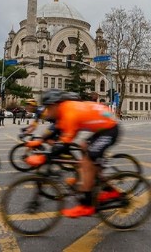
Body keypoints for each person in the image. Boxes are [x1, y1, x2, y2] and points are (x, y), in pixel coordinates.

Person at [36, 89, 121, 218]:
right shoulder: (65, 110)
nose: (47, 111)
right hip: (103, 128)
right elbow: (56, 130)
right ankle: (109, 189)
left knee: (87, 164)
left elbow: (64, 143)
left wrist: (44, 157)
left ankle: (86, 206)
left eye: (48, 107)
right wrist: (39, 142)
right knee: (84, 148)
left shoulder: (70, 113)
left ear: (55, 105)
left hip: (110, 129)